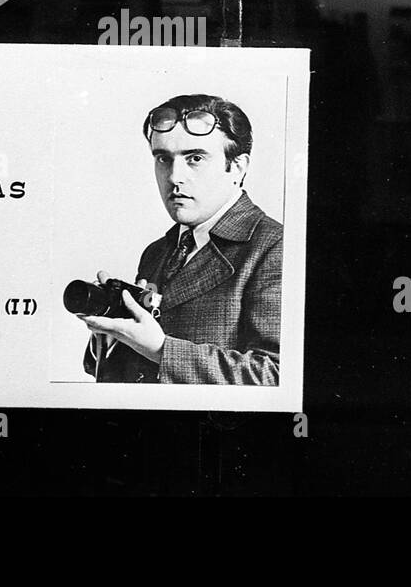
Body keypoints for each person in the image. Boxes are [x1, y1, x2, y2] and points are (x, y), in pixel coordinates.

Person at [79, 94, 282, 385]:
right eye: (163, 159)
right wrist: (112, 337)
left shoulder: (276, 247)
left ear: (237, 167)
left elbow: (276, 377)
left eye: (195, 158)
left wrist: (162, 350)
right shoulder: (158, 252)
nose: (174, 176)